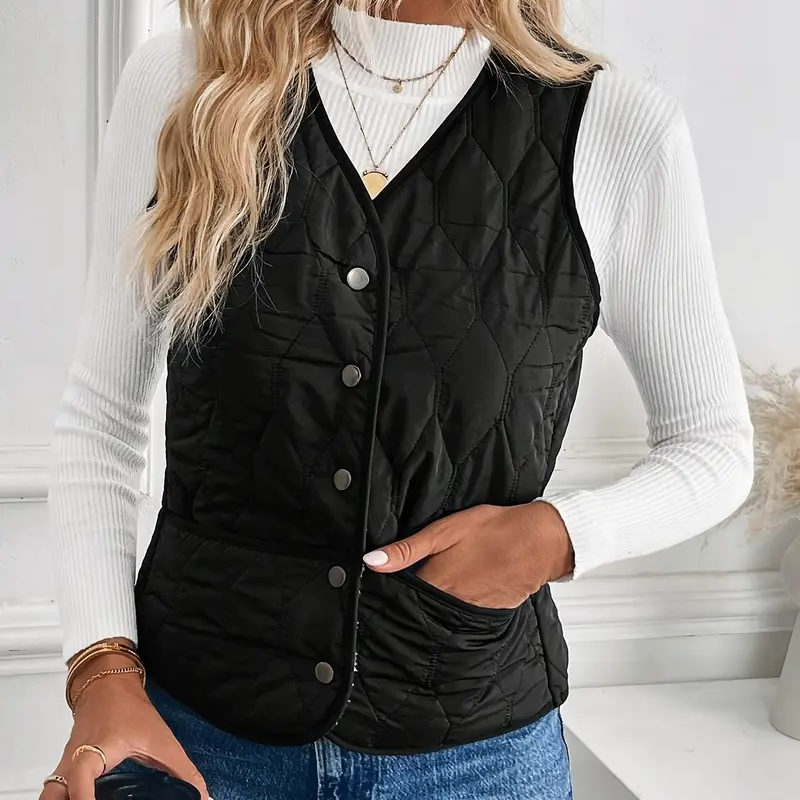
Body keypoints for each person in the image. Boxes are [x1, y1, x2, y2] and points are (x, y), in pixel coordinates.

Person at [43, 1, 754, 799]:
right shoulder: (187, 80)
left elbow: (715, 446)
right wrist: (100, 670)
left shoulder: (617, 129)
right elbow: (102, 421)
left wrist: (557, 537)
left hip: (473, 760)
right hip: (197, 741)